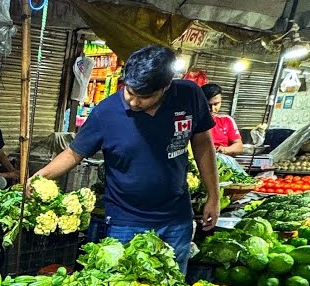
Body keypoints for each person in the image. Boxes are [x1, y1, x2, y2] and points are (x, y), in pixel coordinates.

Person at [34, 45, 220, 273]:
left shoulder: (189, 95)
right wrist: (39, 178)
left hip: (176, 219)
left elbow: (202, 143)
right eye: (130, 92)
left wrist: (214, 196)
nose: (133, 102)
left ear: (166, 87)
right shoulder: (105, 112)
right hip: (125, 222)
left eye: (144, 97)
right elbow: (74, 153)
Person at [203, 83, 244, 155]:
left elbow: (239, 147)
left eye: (216, 104)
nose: (212, 109)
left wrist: (224, 150)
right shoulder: (194, 121)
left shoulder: (226, 120)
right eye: (208, 105)